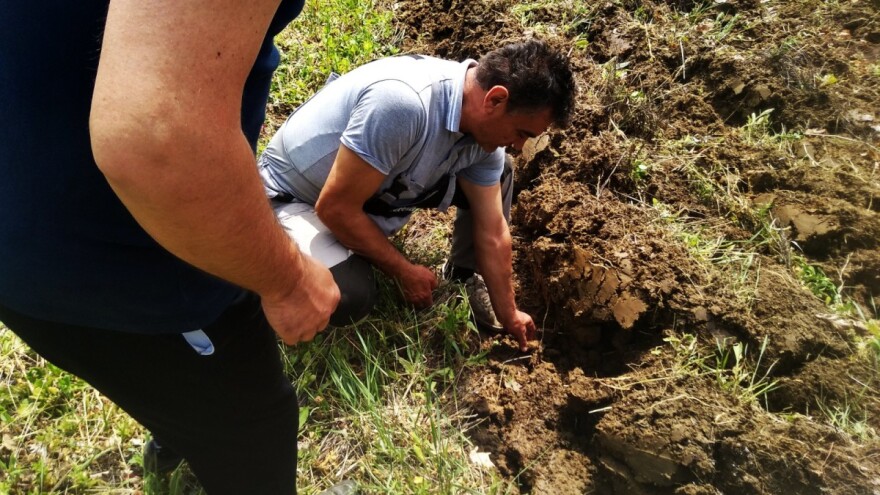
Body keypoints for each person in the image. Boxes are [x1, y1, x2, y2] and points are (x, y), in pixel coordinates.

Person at [1, 1, 343, 493]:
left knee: (170, 391)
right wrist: (289, 282)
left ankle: (176, 435)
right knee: (254, 426)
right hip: (110, 254)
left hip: (28, 204)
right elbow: (158, 140)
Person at [258, 40, 576, 351]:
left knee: (500, 170)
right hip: (292, 197)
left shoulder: (481, 129)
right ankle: (268, 263)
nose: (520, 147)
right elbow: (335, 209)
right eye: (522, 133)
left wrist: (510, 313)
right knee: (351, 294)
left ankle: (464, 274)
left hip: (369, 189)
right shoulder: (403, 105)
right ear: (495, 100)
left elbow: (493, 233)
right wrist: (403, 270)